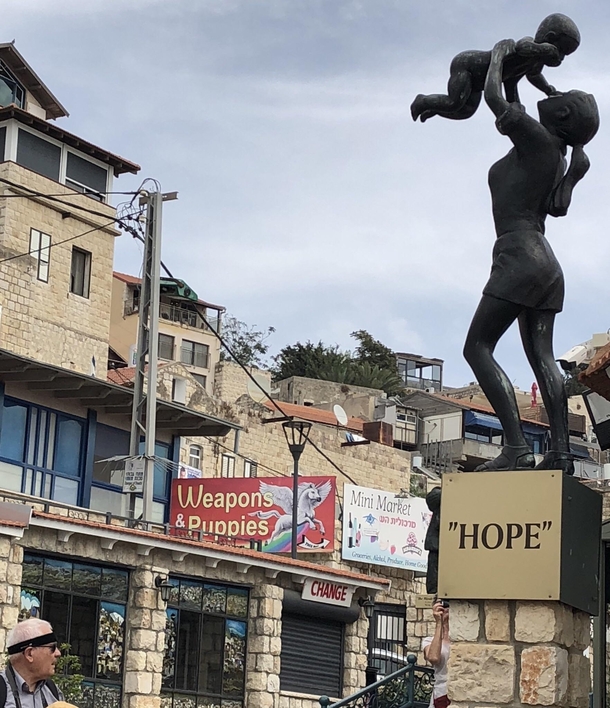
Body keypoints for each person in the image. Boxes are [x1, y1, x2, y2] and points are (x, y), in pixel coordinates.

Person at [462, 38, 599, 475]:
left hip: (519, 253)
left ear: (560, 116)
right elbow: (515, 99)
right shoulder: (552, 155)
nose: (549, 95)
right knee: (542, 358)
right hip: (545, 265)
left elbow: (495, 97)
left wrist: (501, 52)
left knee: (477, 347)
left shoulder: (539, 142)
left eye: (557, 98)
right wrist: (523, 69)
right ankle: (560, 453)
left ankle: (517, 447)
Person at [411, 13, 580, 122]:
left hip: (479, 83)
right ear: (549, 38)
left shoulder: (534, 63)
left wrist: (549, 90)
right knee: (455, 102)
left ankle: (434, 107)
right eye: (561, 51)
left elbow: (531, 77)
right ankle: (423, 100)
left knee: (465, 112)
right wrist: (545, 49)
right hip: (467, 66)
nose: (561, 57)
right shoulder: (527, 45)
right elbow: (521, 47)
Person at [1, 618, 64, 708]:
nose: (58, 653)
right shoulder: (3, 691)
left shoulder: (52, 691)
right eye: (52, 648)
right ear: (29, 654)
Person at [422, 600, 450, 708]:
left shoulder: (463, 640)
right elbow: (433, 658)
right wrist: (439, 623)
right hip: (442, 693)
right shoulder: (428, 641)